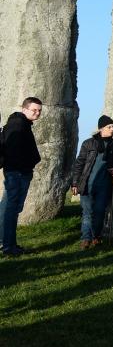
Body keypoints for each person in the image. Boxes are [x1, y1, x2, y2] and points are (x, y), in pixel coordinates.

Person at [70, 115, 113, 249]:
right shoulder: (89, 143)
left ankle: (96, 236)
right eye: (110, 126)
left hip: (105, 184)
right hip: (86, 184)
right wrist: (74, 183)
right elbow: (79, 164)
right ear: (101, 128)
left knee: (99, 212)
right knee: (87, 212)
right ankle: (86, 239)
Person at [0, 97, 42, 256]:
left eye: (39, 110)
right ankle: (8, 246)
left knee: (10, 208)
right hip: (17, 172)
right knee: (12, 209)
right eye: (34, 110)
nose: (37, 113)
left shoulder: (22, 124)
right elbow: (12, 150)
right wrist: (24, 166)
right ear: (24, 109)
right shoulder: (18, 124)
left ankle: (7, 243)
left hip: (18, 171)